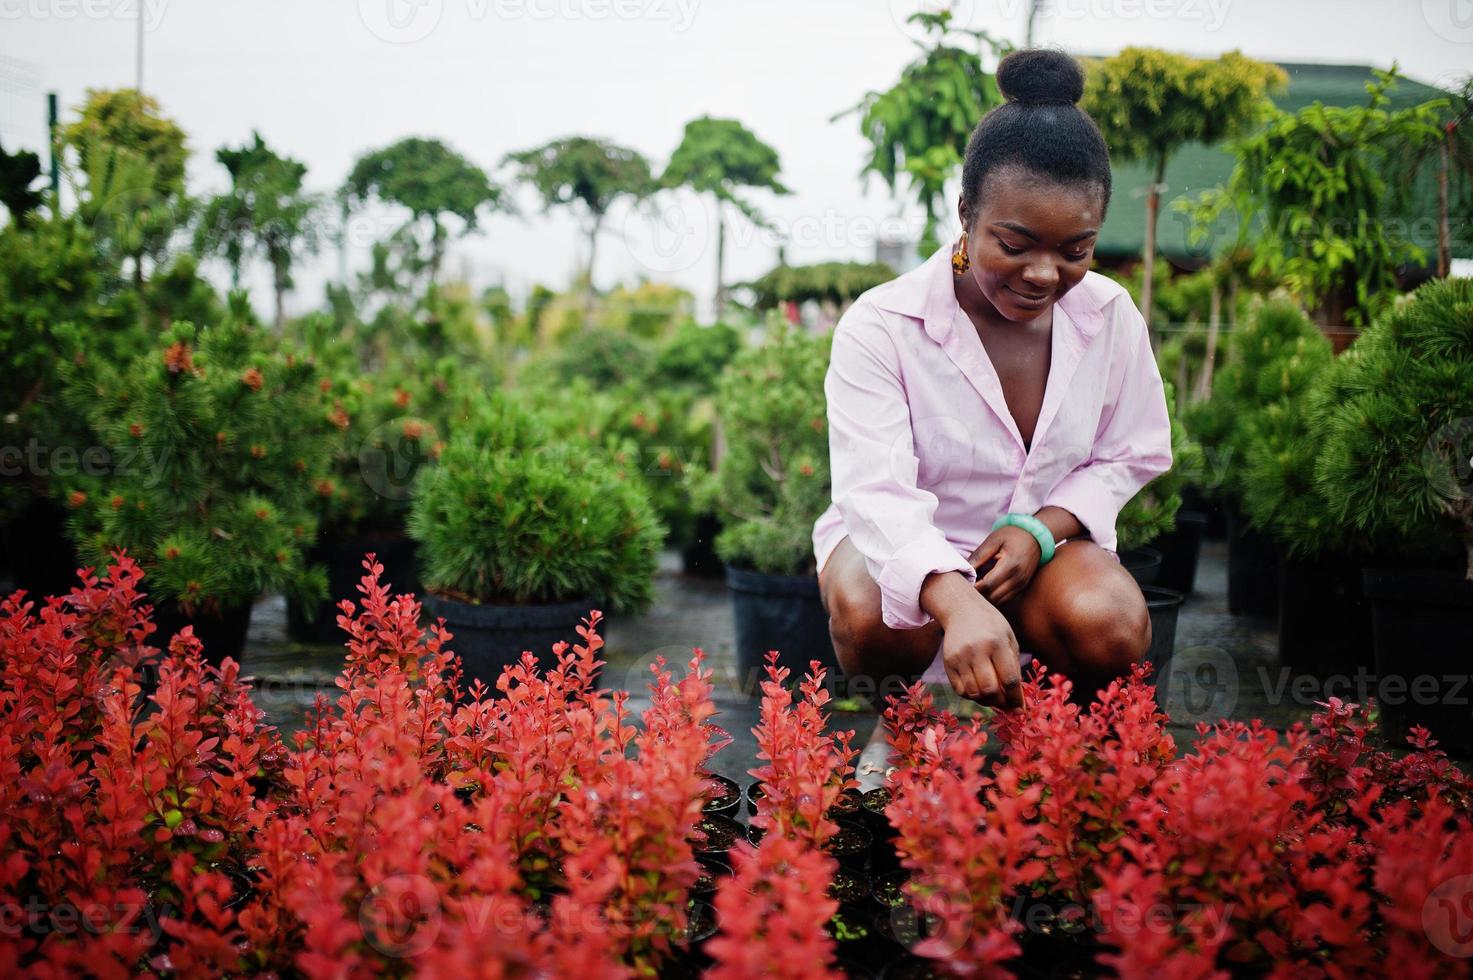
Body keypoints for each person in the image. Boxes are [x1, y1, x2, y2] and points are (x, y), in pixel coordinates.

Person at [815, 48, 1173, 711]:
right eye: (1013, 245)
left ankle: (1058, 751)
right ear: (965, 214)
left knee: (1111, 622)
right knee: (872, 612)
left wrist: (1041, 530)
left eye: (1075, 251)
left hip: (1040, 545)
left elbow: (1132, 451)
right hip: (904, 540)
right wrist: (952, 598)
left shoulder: (1109, 315)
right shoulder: (883, 324)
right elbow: (875, 490)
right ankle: (901, 733)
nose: (1042, 274)